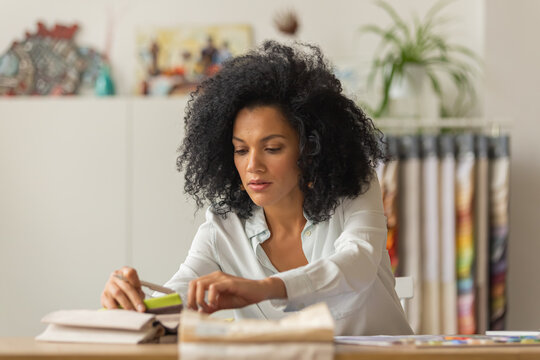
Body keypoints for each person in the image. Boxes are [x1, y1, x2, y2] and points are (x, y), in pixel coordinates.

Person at [101, 41, 413, 336]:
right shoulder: (224, 227)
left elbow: (357, 263)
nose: (253, 165)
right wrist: (134, 302)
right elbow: (181, 293)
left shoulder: (353, 191)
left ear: (309, 149)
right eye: (241, 150)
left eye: (273, 148)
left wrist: (267, 287)